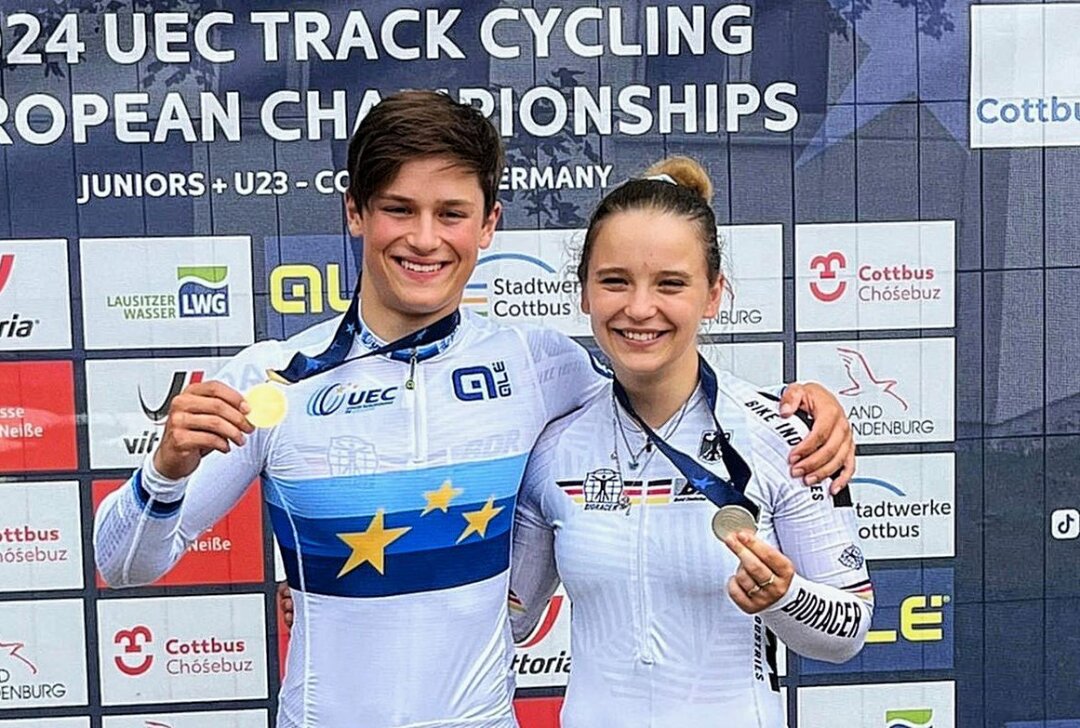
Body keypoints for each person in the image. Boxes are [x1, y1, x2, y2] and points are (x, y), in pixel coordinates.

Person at [94, 91, 855, 728]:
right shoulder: (271, 380)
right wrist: (163, 471)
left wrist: (804, 406)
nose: (426, 240)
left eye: (452, 213)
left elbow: (658, 387)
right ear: (356, 212)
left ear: (489, 225)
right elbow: (121, 565)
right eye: (399, 209)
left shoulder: (538, 364)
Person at [507, 157, 874, 727]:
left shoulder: (783, 434)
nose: (639, 308)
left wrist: (783, 596)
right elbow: (513, 620)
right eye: (615, 281)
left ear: (713, 295)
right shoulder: (553, 447)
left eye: (670, 284)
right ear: (583, 293)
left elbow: (850, 630)